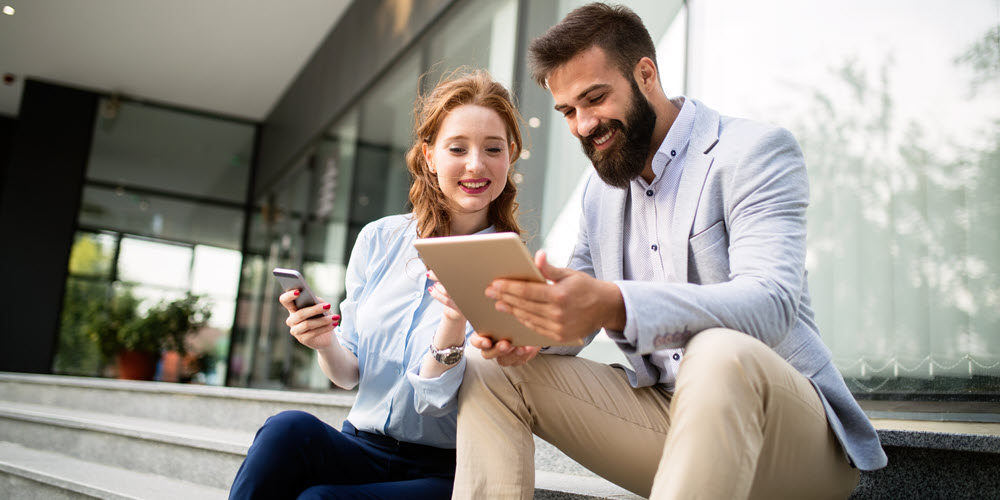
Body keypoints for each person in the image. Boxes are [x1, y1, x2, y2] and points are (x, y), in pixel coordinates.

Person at [450, 4, 888, 499]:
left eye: (595, 99)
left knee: (718, 349)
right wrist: (528, 330)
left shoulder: (752, 152)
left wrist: (615, 302)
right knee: (489, 367)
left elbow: (772, 303)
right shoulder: (601, 194)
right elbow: (577, 309)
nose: (582, 125)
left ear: (646, 74)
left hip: (793, 443)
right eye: (568, 111)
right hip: (669, 423)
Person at [228, 70, 525, 500]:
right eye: (457, 148)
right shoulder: (380, 239)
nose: (476, 165)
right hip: (362, 444)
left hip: (445, 469)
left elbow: (435, 402)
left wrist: (454, 318)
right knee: (285, 429)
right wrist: (325, 342)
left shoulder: (509, 268)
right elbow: (349, 376)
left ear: (510, 155)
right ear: (429, 156)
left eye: (493, 149)